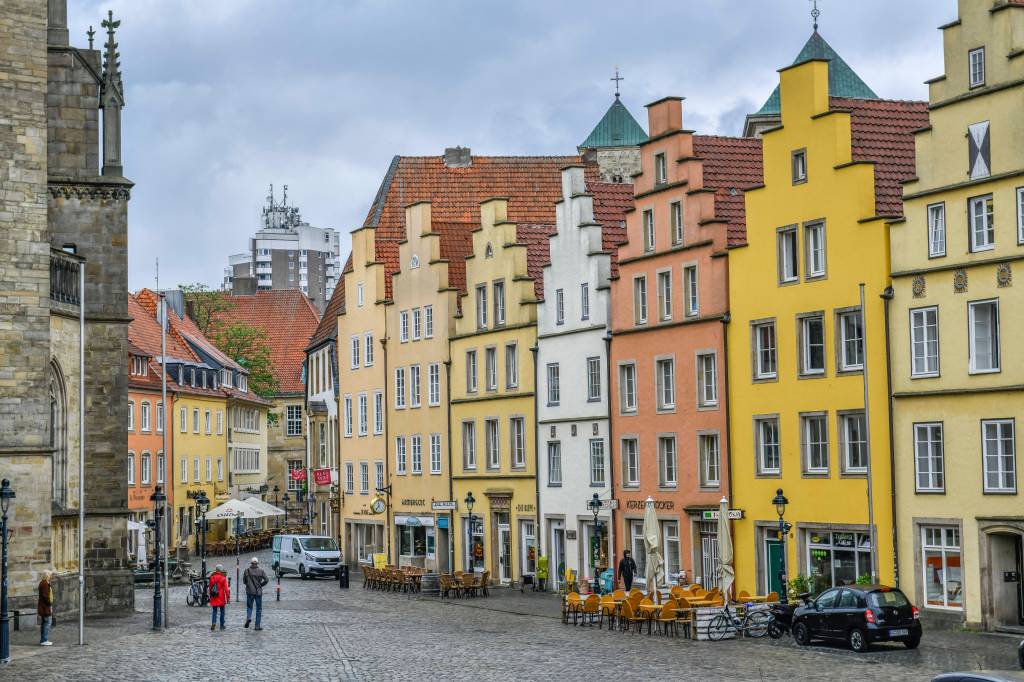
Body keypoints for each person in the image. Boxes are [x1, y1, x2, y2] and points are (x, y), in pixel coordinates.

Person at [243, 556, 269, 631]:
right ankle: (257, 626)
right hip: (258, 592)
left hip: (249, 592)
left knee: (249, 607)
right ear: (257, 563)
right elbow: (266, 580)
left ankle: (248, 617)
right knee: (258, 609)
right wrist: (261, 585)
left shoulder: (246, 571)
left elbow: (244, 581)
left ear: (251, 563)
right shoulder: (261, 571)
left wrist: (249, 585)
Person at [208, 564, 229, 631]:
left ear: (216, 570)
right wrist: (228, 598)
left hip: (214, 596)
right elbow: (226, 589)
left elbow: (210, 588)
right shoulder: (223, 578)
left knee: (214, 611)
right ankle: (222, 625)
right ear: (221, 570)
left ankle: (213, 622)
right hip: (221, 596)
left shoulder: (212, 578)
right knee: (222, 611)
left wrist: (210, 596)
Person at [38, 570, 54, 646]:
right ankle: (44, 639)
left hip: (44, 606)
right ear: (47, 576)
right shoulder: (44, 584)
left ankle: (43, 639)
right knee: (47, 623)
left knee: (45, 623)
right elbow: (45, 596)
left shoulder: (43, 583)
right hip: (45, 607)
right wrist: (49, 603)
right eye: (50, 575)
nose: (51, 576)